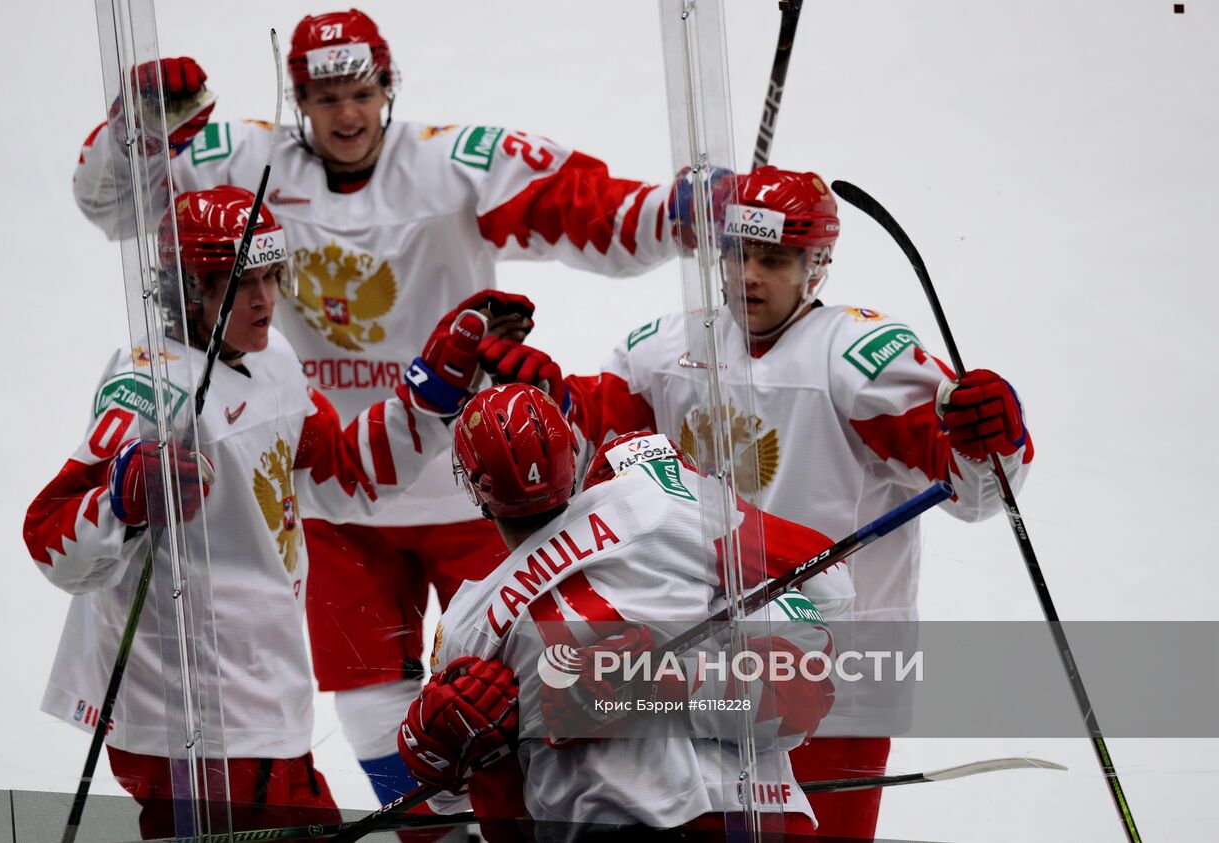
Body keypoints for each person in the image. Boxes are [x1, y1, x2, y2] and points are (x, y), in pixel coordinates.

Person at [71, 8, 684, 803]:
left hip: (476, 480)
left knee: (521, 681)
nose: (348, 115)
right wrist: (136, 130)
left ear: (388, 86)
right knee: (366, 706)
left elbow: (601, 217)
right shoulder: (242, 162)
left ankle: (531, 815)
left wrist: (693, 211)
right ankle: (437, 826)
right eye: (326, 100)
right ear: (298, 101)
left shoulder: (454, 163)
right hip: (338, 480)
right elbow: (119, 212)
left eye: (361, 92)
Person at [478, 166, 1034, 839]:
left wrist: (991, 435)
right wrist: (550, 392)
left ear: (817, 265)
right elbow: (598, 439)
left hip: (841, 668)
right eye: (737, 254)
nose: (748, 276)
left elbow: (976, 491)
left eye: (773, 259)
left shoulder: (857, 355)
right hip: (704, 666)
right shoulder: (668, 347)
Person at [22, 186, 501, 838]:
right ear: (188, 289)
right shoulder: (151, 385)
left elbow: (341, 475)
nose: (265, 298)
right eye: (240, 281)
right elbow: (50, 535)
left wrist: (430, 397)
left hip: (260, 699)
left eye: (272, 276)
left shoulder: (272, 359)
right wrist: (121, 501)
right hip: (191, 720)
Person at [397, 384, 856, 841]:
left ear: (474, 486)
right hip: (755, 813)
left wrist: (429, 748)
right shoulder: (662, 503)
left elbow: (451, 800)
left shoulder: (465, 622)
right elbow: (831, 586)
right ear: (572, 459)